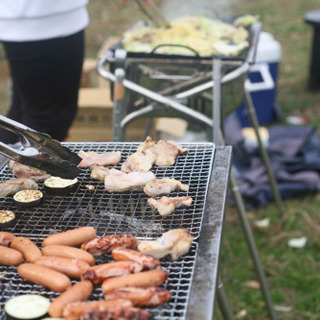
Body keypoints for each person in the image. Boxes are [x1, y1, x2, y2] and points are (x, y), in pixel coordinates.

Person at [0, 0, 89, 144]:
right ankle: (20, 165)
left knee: (22, 113)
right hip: (41, 18)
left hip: (40, 16)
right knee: (47, 120)